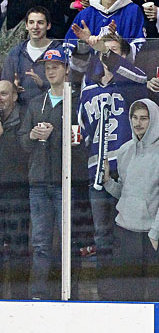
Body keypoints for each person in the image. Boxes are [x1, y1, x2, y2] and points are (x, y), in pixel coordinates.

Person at [72, 31, 148, 300]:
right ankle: (107, 296)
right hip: (97, 173)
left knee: (127, 234)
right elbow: (82, 129)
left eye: (114, 51)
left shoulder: (130, 82)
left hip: (128, 171)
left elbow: (143, 84)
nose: (109, 55)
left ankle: (131, 295)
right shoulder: (88, 88)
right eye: (105, 51)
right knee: (102, 237)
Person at [101, 99, 159, 302]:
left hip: (152, 235)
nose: (138, 123)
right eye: (134, 118)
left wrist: (155, 233)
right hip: (125, 232)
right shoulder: (124, 151)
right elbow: (126, 193)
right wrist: (109, 182)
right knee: (127, 296)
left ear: (153, 120)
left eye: (144, 118)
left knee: (156, 294)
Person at [18, 48, 76, 300]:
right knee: (40, 242)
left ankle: (68, 292)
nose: (50, 70)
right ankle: (38, 294)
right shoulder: (35, 103)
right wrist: (32, 135)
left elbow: (80, 139)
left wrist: (61, 133)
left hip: (65, 180)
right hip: (39, 181)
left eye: (56, 66)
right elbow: (22, 140)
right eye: (47, 67)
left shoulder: (76, 100)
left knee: (67, 241)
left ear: (66, 69)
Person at [63, 0, 146, 62]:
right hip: (91, 76)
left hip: (122, 76)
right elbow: (67, 52)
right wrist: (84, 44)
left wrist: (117, 43)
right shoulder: (85, 15)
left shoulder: (133, 11)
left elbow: (141, 49)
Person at [0, 79, 28, 299]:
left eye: (4, 94)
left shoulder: (24, 118)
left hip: (18, 193)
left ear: (15, 96)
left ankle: (19, 298)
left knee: (19, 248)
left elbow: (24, 154)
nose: (0, 99)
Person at [1, 6, 61, 106]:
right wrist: (13, 89)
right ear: (26, 26)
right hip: (21, 112)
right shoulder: (16, 52)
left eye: (40, 23)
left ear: (48, 25)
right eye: (31, 22)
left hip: (51, 109)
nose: (35, 27)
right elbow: (4, 83)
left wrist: (43, 84)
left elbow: (66, 86)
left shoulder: (58, 52)